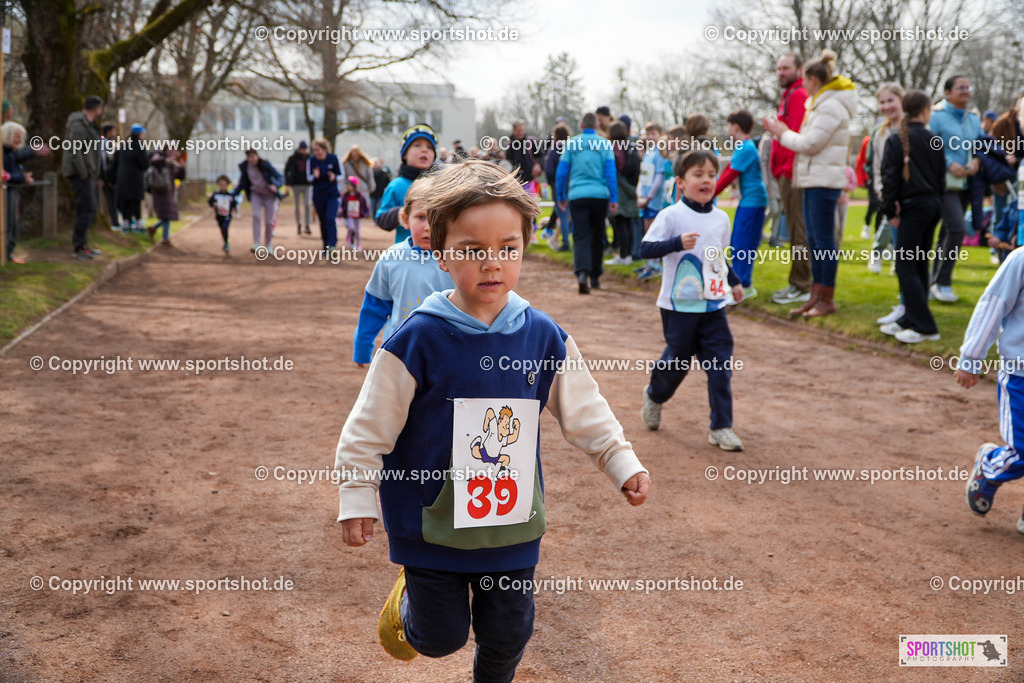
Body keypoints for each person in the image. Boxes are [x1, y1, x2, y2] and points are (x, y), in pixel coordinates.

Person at [335, 159, 649, 681]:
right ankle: (409, 608)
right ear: (438, 253)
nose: (492, 263)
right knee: (440, 638)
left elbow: (585, 407)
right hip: (431, 525)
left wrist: (621, 460)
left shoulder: (542, 335)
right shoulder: (416, 339)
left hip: (511, 522)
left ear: (525, 247)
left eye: (507, 248)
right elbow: (368, 428)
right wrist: (355, 494)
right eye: (471, 250)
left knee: (509, 633)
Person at [638, 149, 744, 450]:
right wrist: (676, 243)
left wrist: (734, 282)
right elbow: (645, 249)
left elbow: (718, 258)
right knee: (678, 362)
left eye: (712, 174)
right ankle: (655, 395)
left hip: (714, 306)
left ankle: (721, 427)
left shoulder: (722, 218)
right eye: (698, 175)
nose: (707, 180)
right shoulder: (671, 215)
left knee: (720, 365)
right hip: (678, 307)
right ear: (681, 182)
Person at [764, 49, 857, 318]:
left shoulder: (830, 105)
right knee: (816, 241)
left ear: (813, 80)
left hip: (823, 182)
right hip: (813, 180)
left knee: (823, 242)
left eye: (805, 79)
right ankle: (816, 296)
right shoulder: (820, 103)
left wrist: (782, 134)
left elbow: (810, 144)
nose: (803, 85)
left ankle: (825, 298)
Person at [956, 244, 1024, 531]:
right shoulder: (1021, 259)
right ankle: (990, 464)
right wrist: (971, 358)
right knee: (1022, 450)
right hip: (1020, 374)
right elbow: (993, 304)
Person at [351, 175, 453, 365]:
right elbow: (375, 308)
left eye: (436, 218)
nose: (429, 227)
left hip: (446, 353)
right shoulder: (391, 259)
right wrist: (362, 348)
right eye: (421, 217)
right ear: (405, 219)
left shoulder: (458, 260)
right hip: (399, 353)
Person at [878, 90, 946, 344]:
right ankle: (909, 319)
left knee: (906, 266)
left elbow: (889, 179)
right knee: (918, 264)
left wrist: (888, 209)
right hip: (931, 206)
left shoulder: (896, 141)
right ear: (926, 111)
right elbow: (940, 180)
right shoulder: (933, 139)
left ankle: (925, 325)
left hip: (912, 207)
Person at [929, 75, 982, 303]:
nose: (966, 91)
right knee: (958, 229)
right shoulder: (936, 116)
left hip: (967, 185)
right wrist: (950, 162)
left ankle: (932, 282)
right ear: (947, 92)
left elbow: (980, 144)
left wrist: (977, 159)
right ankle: (942, 282)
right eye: (960, 87)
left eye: (968, 87)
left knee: (947, 233)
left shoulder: (973, 119)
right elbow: (930, 143)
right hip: (944, 183)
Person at [556, 112, 618, 293]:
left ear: (581, 125)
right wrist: (613, 198)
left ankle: (582, 272)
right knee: (598, 235)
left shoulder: (571, 143)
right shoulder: (605, 144)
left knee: (581, 235)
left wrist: (561, 195)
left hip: (577, 194)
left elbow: (562, 172)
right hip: (600, 194)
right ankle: (596, 276)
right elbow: (610, 173)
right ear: (597, 125)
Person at [767, 54, 811, 305]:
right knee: (795, 229)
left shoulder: (798, 96)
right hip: (785, 171)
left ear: (800, 70)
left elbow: (794, 137)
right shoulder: (789, 96)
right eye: (778, 68)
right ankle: (800, 283)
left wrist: (787, 168)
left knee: (798, 230)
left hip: (792, 172)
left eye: (785, 68)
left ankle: (801, 284)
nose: (780, 72)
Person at [713, 109, 768, 299]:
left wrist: (708, 194)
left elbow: (729, 175)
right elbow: (729, 171)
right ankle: (744, 285)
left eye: (728, 125)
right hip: (751, 202)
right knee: (740, 243)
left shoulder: (746, 148)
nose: (727, 128)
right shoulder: (744, 147)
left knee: (742, 245)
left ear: (735, 126)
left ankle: (742, 285)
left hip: (752, 203)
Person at [867, 83, 906, 274]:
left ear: (901, 100)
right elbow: (877, 166)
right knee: (890, 223)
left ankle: (899, 262)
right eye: (882, 102)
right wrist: (880, 189)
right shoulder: (880, 134)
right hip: (889, 192)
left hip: (910, 192)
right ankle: (880, 254)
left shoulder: (913, 128)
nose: (886, 106)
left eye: (891, 100)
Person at [376, 124, 437, 244]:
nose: (424, 149)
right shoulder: (397, 185)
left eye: (430, 147)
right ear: (404, 155)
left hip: (437, 255)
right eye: (417, 145)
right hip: (406, 255)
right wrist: (400, 213)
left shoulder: (441, 184)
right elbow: (381, 218)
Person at [61, 95, 104, 260]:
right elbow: (74, 149)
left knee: (90, 208)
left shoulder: (89, 125)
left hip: (89, 173)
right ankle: (79, 247)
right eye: (100, 108)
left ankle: (84, 244)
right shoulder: (78, 124)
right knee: (85, 208)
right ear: (95, 108)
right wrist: (83, 172)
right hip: (82, 174)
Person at [235, 148, 286, 252]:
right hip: (256, 194)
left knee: (269, 221)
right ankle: (256, 244)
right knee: (256, 216)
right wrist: (233, 194)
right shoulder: (245, 167)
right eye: (249, 157)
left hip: (269, 195)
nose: (252, 159)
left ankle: (268, 244)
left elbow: (280, 177)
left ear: (257, 156)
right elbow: (242, 183)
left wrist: (276, 186)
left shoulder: (265, 165)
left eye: (253, 156)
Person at [606, 120, 641, 266]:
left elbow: (612, 170)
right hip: (631, 189)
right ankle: (628, 255)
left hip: (619, 190)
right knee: (628, 224)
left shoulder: (614, 149)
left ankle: (623, 255)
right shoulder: (631, 147)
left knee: (621, 225)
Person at [2, 122, 34, 264]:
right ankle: (5, 254)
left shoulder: (11, 153)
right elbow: (5, 175)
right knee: (8, 222)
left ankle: (8, 253)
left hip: (12, 190)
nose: (19, 141)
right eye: (16, 137)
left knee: (13, 222)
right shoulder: (4, 153)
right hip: (6, 191)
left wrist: (22, 177)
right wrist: (22, 178)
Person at [112, 123, 149, 234]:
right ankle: (137, 224)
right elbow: (144, 164)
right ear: (138, 134)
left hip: (122, 179)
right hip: (135, 179)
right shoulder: (139, 146)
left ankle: (126, 223)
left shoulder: (123, 145)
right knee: (136, 202)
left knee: (125, 202)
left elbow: (116, 161)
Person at [307, 138, 342, 250]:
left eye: (318, 149)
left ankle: (333, 245)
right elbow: (308, 178)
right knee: (322, 220)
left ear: (324, 148)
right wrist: (315, 176)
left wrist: (334, 177)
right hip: (318, 194)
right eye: (314, 150)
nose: (316, 152)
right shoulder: (311, 160)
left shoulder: (334, 158)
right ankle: (325, 245)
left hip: (332, 194)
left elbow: (341, 175)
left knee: (330, 218)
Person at [146, 147, 185, 247]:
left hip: (169, 191)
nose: (173, 152)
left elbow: (180, 176)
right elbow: (152, 161)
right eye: (170, 150)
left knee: (167, 215)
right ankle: (165, 238)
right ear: (166, 149)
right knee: (167, 215)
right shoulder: (159, 157)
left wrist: (181, 167)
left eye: (174, 150)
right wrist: (164, 161)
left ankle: (154, 229)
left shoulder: (173, 162)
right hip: (160, 191)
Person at [543, 122, 572, 251]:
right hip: (571, 184)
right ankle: (563, 240)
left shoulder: (554, 149)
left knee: (563, 215)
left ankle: (565, 243)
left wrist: (551, 182)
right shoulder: (572, 147)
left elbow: (549, 170)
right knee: (569, 214)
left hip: (558, 185)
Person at [284, 141, 313, 235]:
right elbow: (286, 171)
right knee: (297, 206)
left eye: (305, 149)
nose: (304, 151)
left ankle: (307, 225)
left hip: (307, 184)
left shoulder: (310, 158)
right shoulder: (292, 158)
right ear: (299, 149)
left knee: (307, 204)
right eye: (302, 149)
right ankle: (299, 224)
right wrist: (287, 184)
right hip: (295, 184)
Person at [208, 174, 239, 254]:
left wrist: (235, 209)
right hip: (219, 216)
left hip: (227, 216)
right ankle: (226, 242)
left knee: (225, 228)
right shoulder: (216, 194)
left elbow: (234, 204)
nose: (222, 186)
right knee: (222, 229)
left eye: (224, 185)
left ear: (228, 185)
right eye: (221, 185)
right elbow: (210, 202)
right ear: (218, 185)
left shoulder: (230, 195)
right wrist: (214, 204)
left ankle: (226, 243)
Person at [505, 119, 540, 188]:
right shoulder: (509, 145)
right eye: (518, 130)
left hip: (530, 179)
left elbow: (541, 156)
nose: (520, 132)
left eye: (522, 130)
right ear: (514, 130)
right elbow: (507, 161)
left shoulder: (531, 142)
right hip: (514, 181)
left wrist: (538, 165)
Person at [99, 124, 119, 230]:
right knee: (112, 201)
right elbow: (105, 162)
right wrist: (104, 178)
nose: (114, 134)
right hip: (108, 178)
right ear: (108, 132)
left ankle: (114, 221)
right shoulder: (105, 144)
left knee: (112, 200)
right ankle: (114, 222)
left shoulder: (109, 143)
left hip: (109, 177)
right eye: (113, 131)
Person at [340, 176, 369, 250]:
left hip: (357, 216)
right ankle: (348, 236)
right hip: (349, 215)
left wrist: (366, 212)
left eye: (349, 185)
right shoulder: (345, 195)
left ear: (353, 186)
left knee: (357, 231)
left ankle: (358, 244)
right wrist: (341, 210)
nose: (347, 186)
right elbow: (342, 204)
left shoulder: (359, 195)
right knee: (351, 227)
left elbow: (364, 205)